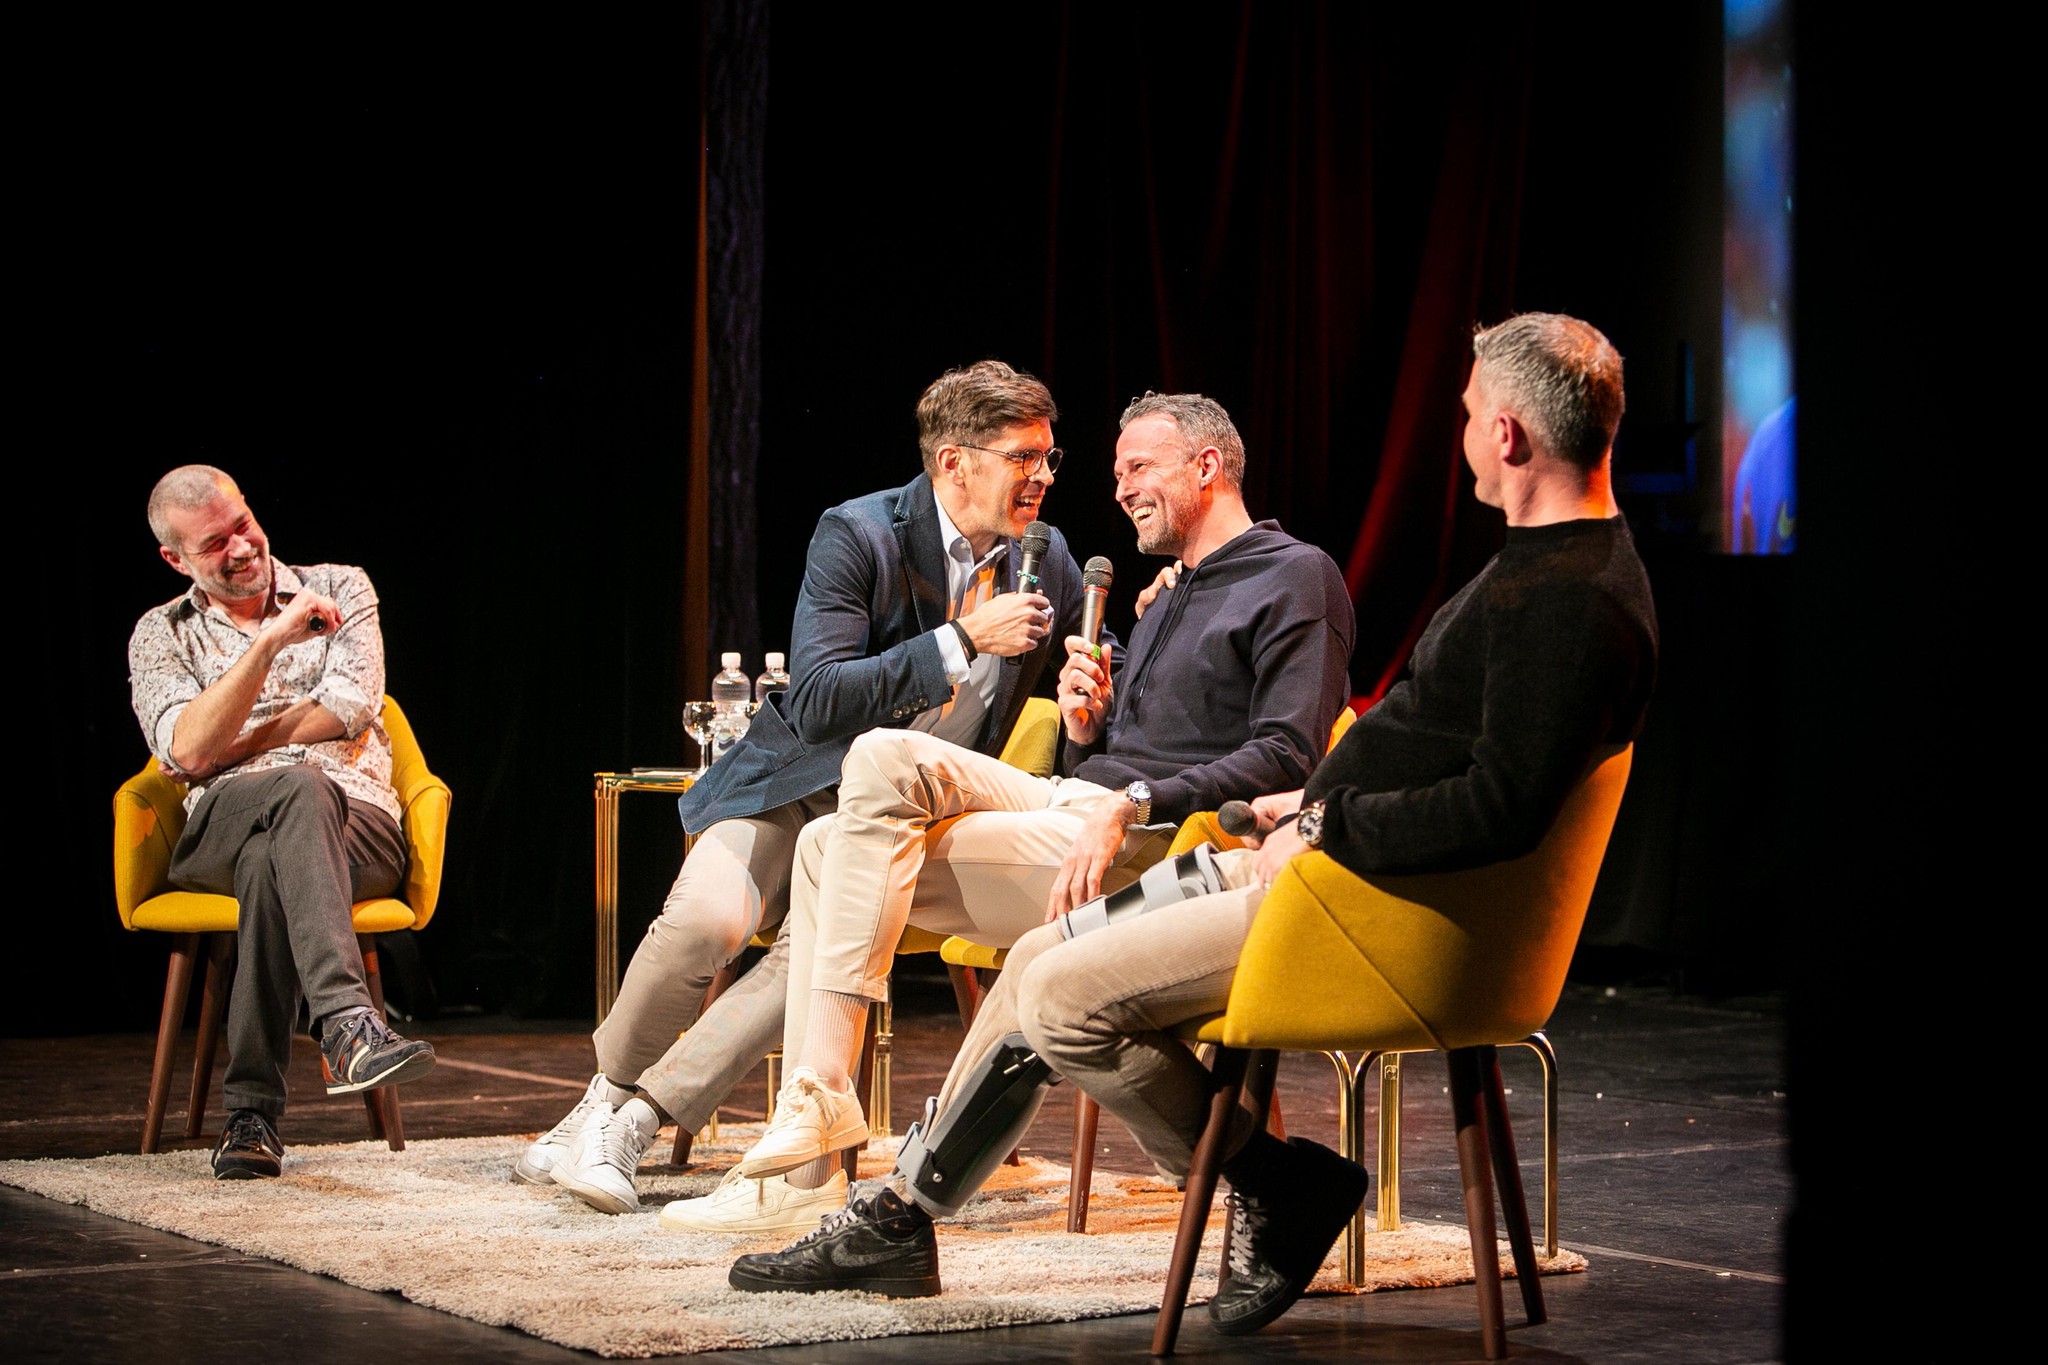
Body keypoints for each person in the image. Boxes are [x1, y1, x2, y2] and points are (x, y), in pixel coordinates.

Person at [729, 313, 1658, 1341]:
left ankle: (1269, 1182)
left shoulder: (1569, 602)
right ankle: (904, 1214)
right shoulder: (1538, 574)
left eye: (1472, 410)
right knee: (1025, 942)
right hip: (1305, 866)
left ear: (1511, 435)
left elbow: (1499, 809)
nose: (1466, 426)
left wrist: (1324, 821)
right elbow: (1421, 749)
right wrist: (1287, 810)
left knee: (1057, 993)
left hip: (1361, 911)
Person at [676, 391, 1355, 1227]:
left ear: (1207, 466)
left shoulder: (1295, 574)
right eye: (1116, 473)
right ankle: (814, 1121)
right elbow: (1118, 754)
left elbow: (1290, 757)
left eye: (1138, 468)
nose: (1120, 489)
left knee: (829, 841)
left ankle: (811, 1169)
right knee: (863, 780)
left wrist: (1138, 795)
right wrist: (1083, 725)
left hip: (1158, 844)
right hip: (1080, 804)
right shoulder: (1167, 592)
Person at [522, 359, 1095, 1226]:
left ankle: (635, 1123)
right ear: (954, 462)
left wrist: (1106, 678)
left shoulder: (1045, 559)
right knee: (707, 920)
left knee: (806, 955)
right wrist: (957, 639)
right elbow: (821, 692)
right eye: (1024, 458)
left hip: (898, 818)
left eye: (1050, 458)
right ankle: (598, 1102)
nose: (1042, 478)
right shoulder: (858, 532)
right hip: (797, 781)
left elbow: (1083, 674)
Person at [128, 466, 437, 1180]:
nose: (242, 547)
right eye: (215, 543)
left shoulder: (344, 586)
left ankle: (252, 1117)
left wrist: (226, 746)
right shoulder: (160, 635)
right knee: (294, 790)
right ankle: (346, 1023)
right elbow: (182, 745)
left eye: (243, 523)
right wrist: (271, 641)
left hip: (357, 820)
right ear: (176, 559)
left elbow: (353, 706)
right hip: (220, 827)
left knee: (279, 846)